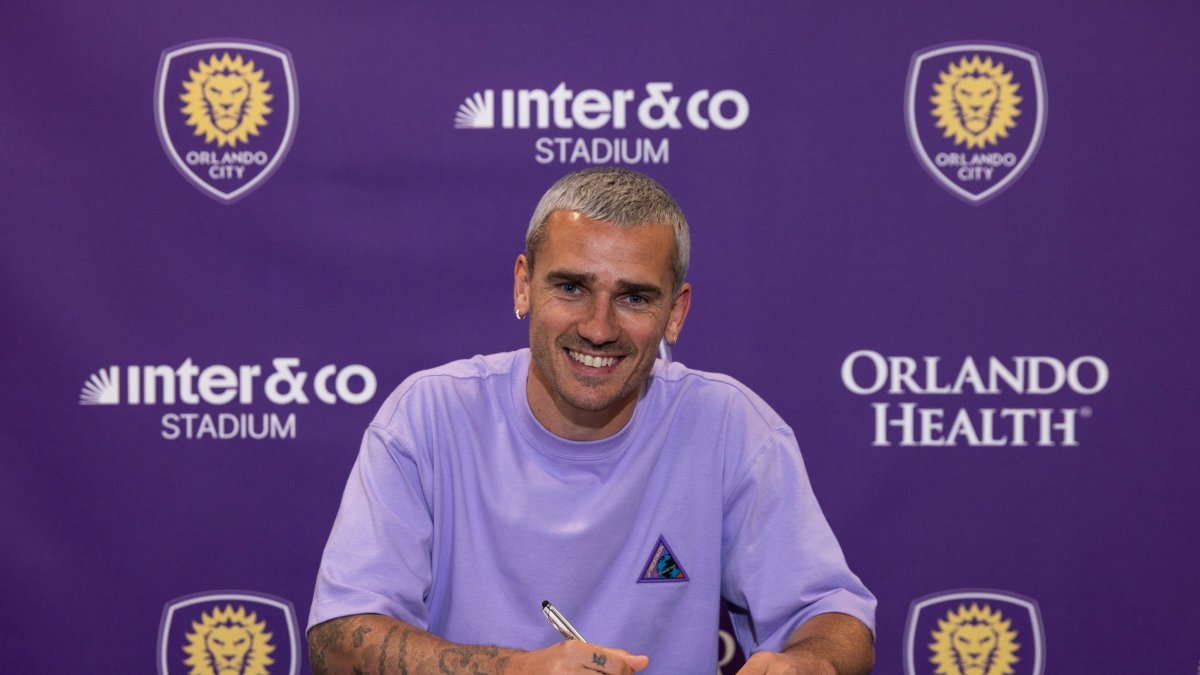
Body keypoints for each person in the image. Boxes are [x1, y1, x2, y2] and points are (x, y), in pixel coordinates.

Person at [307, 168, 876, 674]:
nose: (599, 328)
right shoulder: (428, 417)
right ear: (523, 285)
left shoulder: (730, 426)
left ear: (675, 314)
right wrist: (517, 672)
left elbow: (832, 614)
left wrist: (810, 663)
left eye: (634, 298)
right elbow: (339, 638)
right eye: (573, 288)